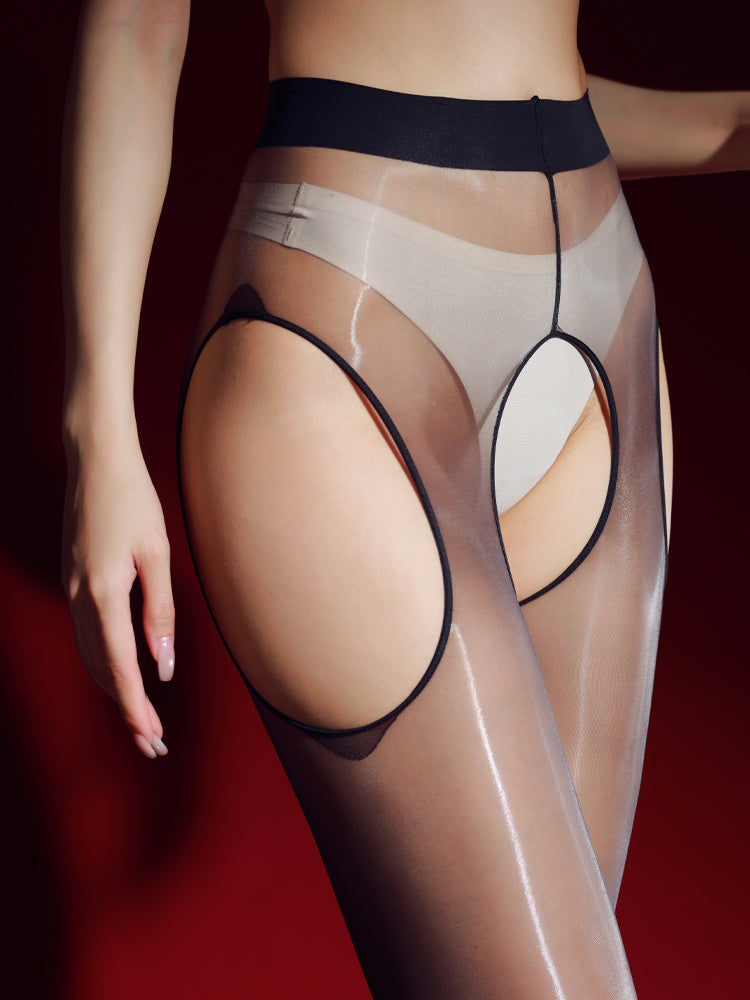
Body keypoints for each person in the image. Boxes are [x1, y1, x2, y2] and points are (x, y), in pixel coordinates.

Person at [60, 1, 748, 996]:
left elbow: (514, 72)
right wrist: (99, 434)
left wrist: (733, 121)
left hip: (605, 336)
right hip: (345, 322)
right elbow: (137, 28)